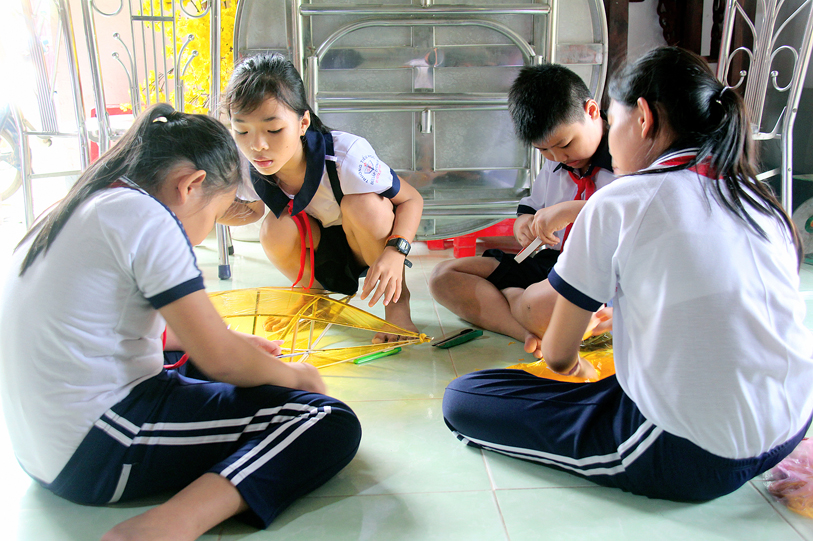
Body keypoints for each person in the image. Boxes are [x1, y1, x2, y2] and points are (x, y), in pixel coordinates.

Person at [441, 47, 813, 501]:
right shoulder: (757, 198)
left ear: (642, 117)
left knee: (466, 397)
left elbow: (557, 356)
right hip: (794, 418)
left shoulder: (622, 199)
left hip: (697, 454)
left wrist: (576, 366)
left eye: (613, 121)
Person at [0, 103, 361, 541]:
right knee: (324, 419)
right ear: (190, 185)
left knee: (226, 369)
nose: (206, 231)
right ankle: (170, 524)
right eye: (214, 215)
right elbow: (221, 361)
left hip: (44, 445)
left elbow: (135, 328)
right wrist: (296, 376)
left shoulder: (88, 201)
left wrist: (228, 343)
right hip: (96, 449)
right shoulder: (147, 218)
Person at [219, 53, 424, 343]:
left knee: (362, 205)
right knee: (273, 228)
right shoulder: (249, 163)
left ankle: (398, 307)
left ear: (303, 123)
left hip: (370, 241)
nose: (258, 145)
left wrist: (396, 251)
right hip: (319, 249)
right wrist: (203, 210)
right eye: (242, 130)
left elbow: (412, 200)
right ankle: (315, 298)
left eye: (273, 130)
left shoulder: (346, 156)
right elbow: (251, 210)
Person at [429, 63, 614, 349]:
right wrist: (524, 223)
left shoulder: (625, 158)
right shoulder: (557, 161)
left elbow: (634, 216)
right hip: (548, 263)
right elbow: (532, 206)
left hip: (594, 273)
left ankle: (514, 299)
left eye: (565, 144)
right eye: (544, 150)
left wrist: (572, 210)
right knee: (443, 277)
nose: (558, 157)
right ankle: (524, 330)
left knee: (554, 310)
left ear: (591, 111)